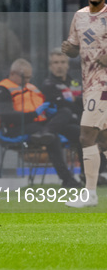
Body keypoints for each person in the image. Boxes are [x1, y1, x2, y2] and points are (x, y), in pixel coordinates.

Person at [0, 58, 81, 188]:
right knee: (51, 138)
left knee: (74, 125)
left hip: (42, 126)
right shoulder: (3, 89)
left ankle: (90, 176)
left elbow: (44, 106)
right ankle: (67, 179)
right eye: (25, 78)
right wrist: (35, 114)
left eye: (29, 78)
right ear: (13, 73)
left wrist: (50, 111)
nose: (27, 81)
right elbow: (7, 117)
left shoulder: (32, 87)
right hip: (15, 128)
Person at [62, 0, 107, 207]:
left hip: (104, 85)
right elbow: (74, 47)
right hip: (89, 84)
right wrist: (70, 50)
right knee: (105, 140)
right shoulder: (79, 16)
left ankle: (89, 193)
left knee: (86, 135)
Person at [41, 48, 85, 179]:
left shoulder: (75, 83)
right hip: (57, 125)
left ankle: (88, 175)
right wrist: (76, 103)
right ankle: (75, 177)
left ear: (67, 64)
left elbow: (85, 103)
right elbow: (63, 106)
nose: (59, 66)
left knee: (92, 133)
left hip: (76, 120)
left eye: (62, 62)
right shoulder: (48, 84)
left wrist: (75, 100)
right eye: (55, 62)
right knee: (82, 134)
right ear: (50, 66)